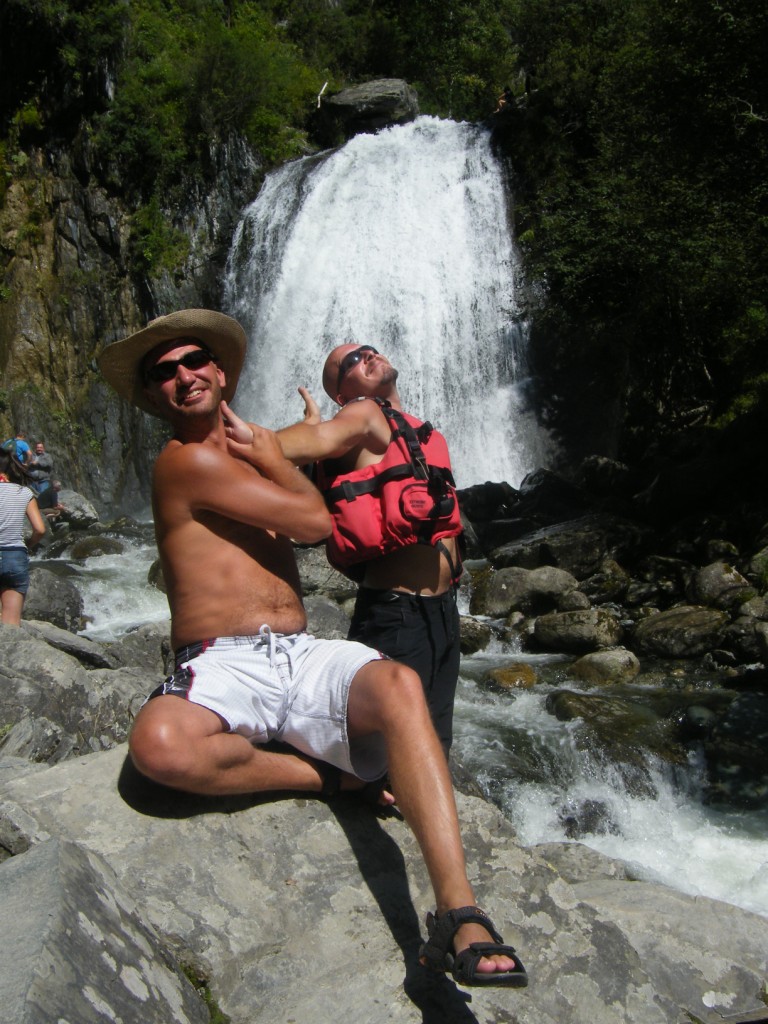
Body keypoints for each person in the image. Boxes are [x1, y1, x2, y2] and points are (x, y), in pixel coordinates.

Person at [97, 309, 527, 989]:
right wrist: (279, 458)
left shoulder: (249, 455)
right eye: (164, 371)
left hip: (297, 652)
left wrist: (275, 453)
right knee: (160, 747)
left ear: (220, 373)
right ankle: (336, 779)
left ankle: (459, 911)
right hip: (222, 660)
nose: (183, 375)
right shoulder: (184, 461)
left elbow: (309, 502)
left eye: (194, 360)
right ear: (154, 394)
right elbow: (311, 521)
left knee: (399, 686)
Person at [276, 345, 464, 756]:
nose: (367, 357)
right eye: (352, 362)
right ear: (342, 394)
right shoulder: (362, 414)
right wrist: (305, 429)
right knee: (387, 756)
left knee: (432, 749)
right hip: (398, 614)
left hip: (441, 615)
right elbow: (311, 440)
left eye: (368, 350)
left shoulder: (413, 429)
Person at [0, 449, 46, 626]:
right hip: (15, 556)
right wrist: (29, 544)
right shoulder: (24, 492)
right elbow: (40, 529)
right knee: (11, 625)